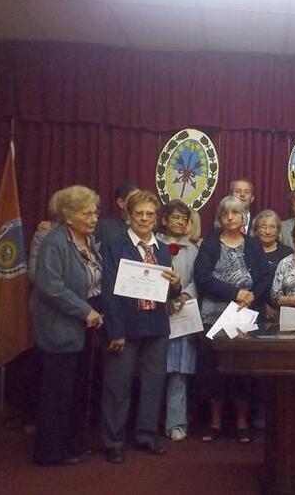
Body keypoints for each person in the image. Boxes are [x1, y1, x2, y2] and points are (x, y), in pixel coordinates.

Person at [100, 190, 181, 464]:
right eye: (139, 214)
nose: (144, 219)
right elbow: (108, 292)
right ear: (129, 216)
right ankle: (114, 441)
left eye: (149, 214)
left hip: (156, 327)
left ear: (157, 218)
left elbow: (167, 294)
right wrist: (115, 331)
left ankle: (146, 436)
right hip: (125, 328)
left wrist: (176, 285)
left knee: (153, 385)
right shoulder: (115, 245)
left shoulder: (162, 249)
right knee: (117, 387)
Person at [31, 185, 104, 466]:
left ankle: (72, 444)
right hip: (60, 329)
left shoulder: (88, 241)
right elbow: (49, 286)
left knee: (76, 392)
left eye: (95, 212)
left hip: (84, 330)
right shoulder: (55, 241)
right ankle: (50, 452)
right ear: (69, 216)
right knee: (57, 394)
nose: (94, 217)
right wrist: (85, 311)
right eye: (87, 213)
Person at [194, 196, 270, 444]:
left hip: (244, 316)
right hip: (214, 316)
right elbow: (202, 278)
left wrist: (249, 298)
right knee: (214, 370)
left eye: (235, 213)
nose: (230, 217)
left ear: (243, 217)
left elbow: (264, 278)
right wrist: (234, 293)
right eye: (226, 213)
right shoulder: (210, 245)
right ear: (220, 217)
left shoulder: (254, 245)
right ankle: (215, 423)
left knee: (243, 371)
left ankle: (242, 422)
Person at [157, 200, 198, 442]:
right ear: (164, 220)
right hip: (156, 316)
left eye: (184, 218)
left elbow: (198, 278)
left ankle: (176, 424)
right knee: (154, 372)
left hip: (182, 317)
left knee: (178, 373)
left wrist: (184, 294)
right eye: (175, 217)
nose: (180, 222)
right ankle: (150, 421)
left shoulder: (193, 249)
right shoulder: (152, 244)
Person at [252, 209, 293, 322]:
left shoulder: (287, 253)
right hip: (253, 308)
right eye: (263, 227)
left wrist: (281, 306)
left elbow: (292, 284)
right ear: (256, 230)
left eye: (272, 227)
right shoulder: (248, 251)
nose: (268, 231)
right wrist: (263, 306)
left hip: (283, 310)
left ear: (278, 230)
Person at [94, 181, 139, 245]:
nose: (139, 203)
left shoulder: (146, 225)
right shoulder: (105, 228)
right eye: (134, 199)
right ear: (121, 202)